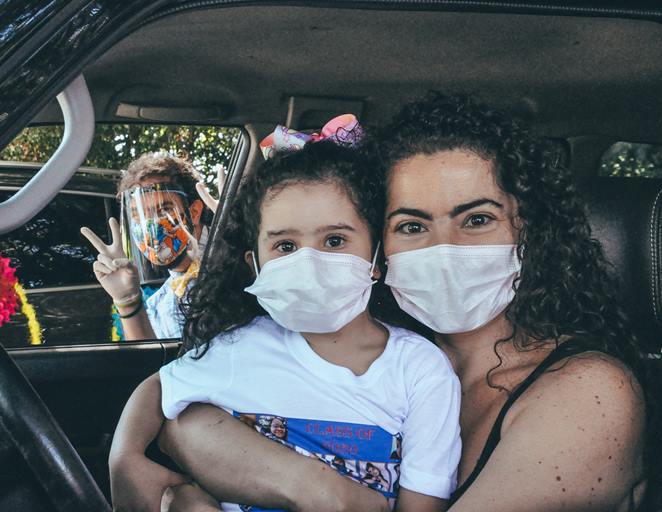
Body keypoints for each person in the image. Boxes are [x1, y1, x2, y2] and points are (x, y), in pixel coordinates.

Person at [149, 93, 648, 512]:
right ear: (376, 250)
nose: (442, 249)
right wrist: (312, 486)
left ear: (528, 229)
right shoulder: (373, 355)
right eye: (412, 226)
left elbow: (190, 431)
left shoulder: (589, 391)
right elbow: (179, 420)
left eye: (476, 219)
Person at [108, 137, 462, 512]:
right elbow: (158, 387)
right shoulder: (240, 348)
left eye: (335, 240)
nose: (309, 262)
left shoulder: (420, 369)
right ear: (254, 264)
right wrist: (125, 457)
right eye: (286, 247)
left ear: (375, 257)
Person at [81, 153, 211, 340]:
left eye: (164, 210)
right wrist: (127, 301)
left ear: (194, 212)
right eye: (139, 216)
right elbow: (150, 363)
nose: (150, 225)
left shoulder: (233, 266)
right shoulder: (160, 302)